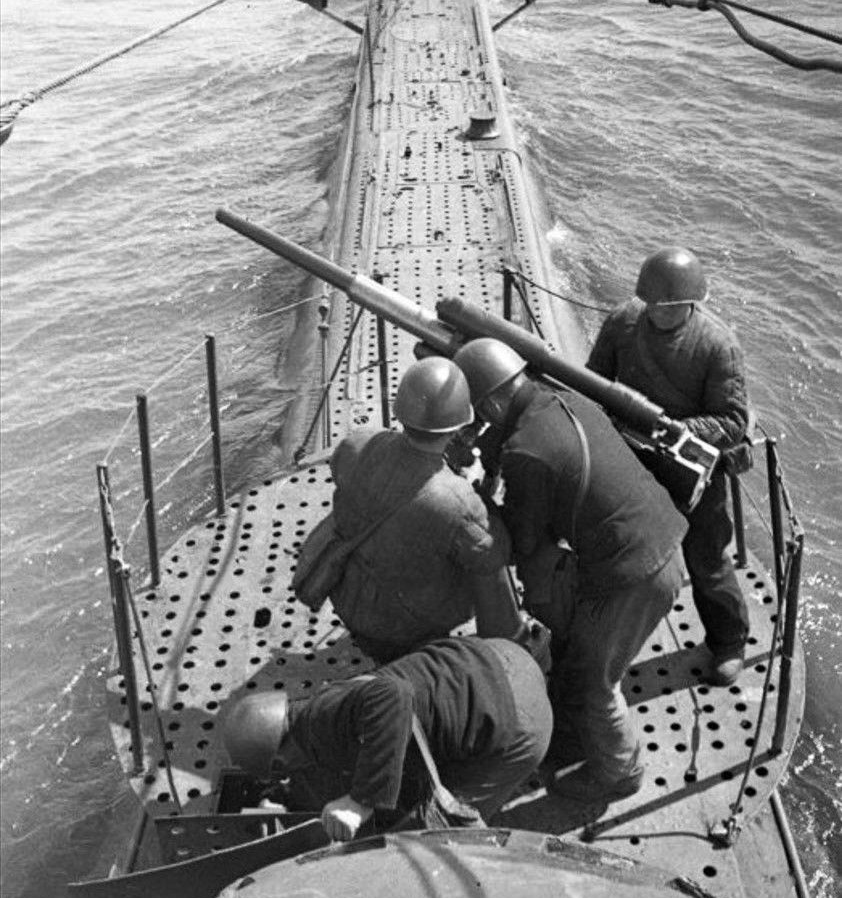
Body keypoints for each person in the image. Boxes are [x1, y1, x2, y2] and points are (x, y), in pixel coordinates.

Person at [453, 338, 686, 805]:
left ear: (492, 404)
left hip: (633, 575)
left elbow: (521, 541)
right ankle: (575, 735)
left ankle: (620, 773)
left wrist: (475, 497)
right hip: (658, 541)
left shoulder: (527, 451)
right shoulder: (564, 399)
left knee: (595, 682)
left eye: (478, 412)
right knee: (579, 653)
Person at [587, 246, 750, 687]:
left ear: (689, 303)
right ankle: (606, 633)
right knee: (613, 542)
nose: (656, 312)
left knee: (707, 559)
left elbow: (733, 421)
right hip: (632, 453)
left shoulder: (717, 345)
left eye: (667, 306)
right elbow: (594, 382)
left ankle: (729, 641)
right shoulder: (623, 323)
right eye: (651, 304)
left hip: (692, 467)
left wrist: (675, 430)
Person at [223, 635, 553, 839]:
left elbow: (392, 693)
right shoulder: (316, 709)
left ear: (281, 756)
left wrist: (360, 802)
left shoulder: (323, 723)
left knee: (441, 832)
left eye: (279, 768)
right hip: (502, 657)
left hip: (519, 720)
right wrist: (287, 800)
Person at [327, 356, 522, 663]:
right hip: (405, 630)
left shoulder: (357, 443)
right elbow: (495, 554)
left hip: (347, 597)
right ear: (458, 426)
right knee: (485, 556)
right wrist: (476, 494)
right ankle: (508, 647)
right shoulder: (457, 502)